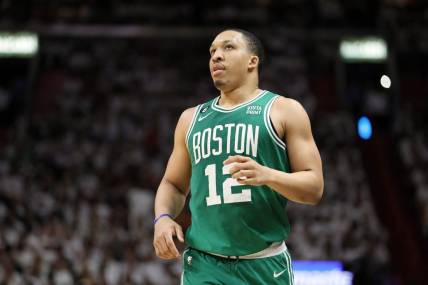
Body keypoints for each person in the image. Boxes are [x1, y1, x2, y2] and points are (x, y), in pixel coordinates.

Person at [153, 28, 324, 285]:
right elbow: (173, 185)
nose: (216, 56)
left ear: (252, 61)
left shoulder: (284, 110)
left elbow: (314, 188)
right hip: (204, 265)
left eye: (228, 47)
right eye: (212, 51)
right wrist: (162, 218)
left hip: (264, 265)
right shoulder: (190, 119)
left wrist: (268, 175)